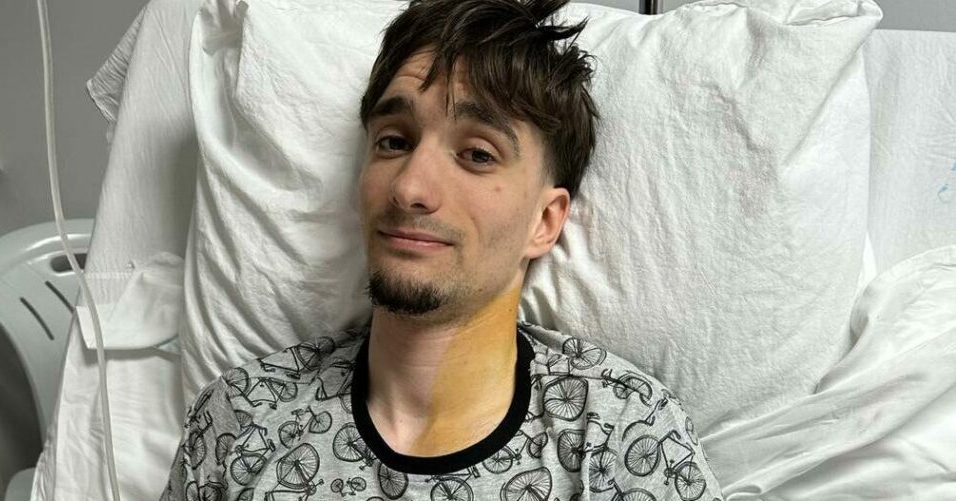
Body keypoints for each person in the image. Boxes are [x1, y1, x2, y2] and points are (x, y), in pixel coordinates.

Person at [161, 0, 723, 499]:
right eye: (394, 142)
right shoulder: (241, 419)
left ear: (545, 221)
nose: (409, 187)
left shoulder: (622, 438)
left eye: (477, 154)